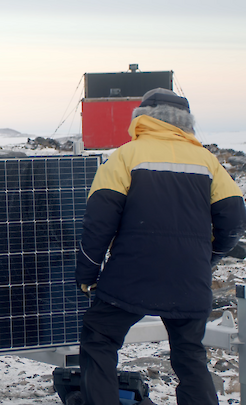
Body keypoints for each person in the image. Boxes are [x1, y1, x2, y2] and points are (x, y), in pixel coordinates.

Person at [75, 88, 246, 405]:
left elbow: (98, 223)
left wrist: (86, 274)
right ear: (186, 123)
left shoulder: (126, 157)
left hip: (130, 278)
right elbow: (235, 217)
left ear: (141, 118)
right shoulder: (208, 162)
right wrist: (209, 258)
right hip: (189, 280)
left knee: (99, 339)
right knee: (191, 356)